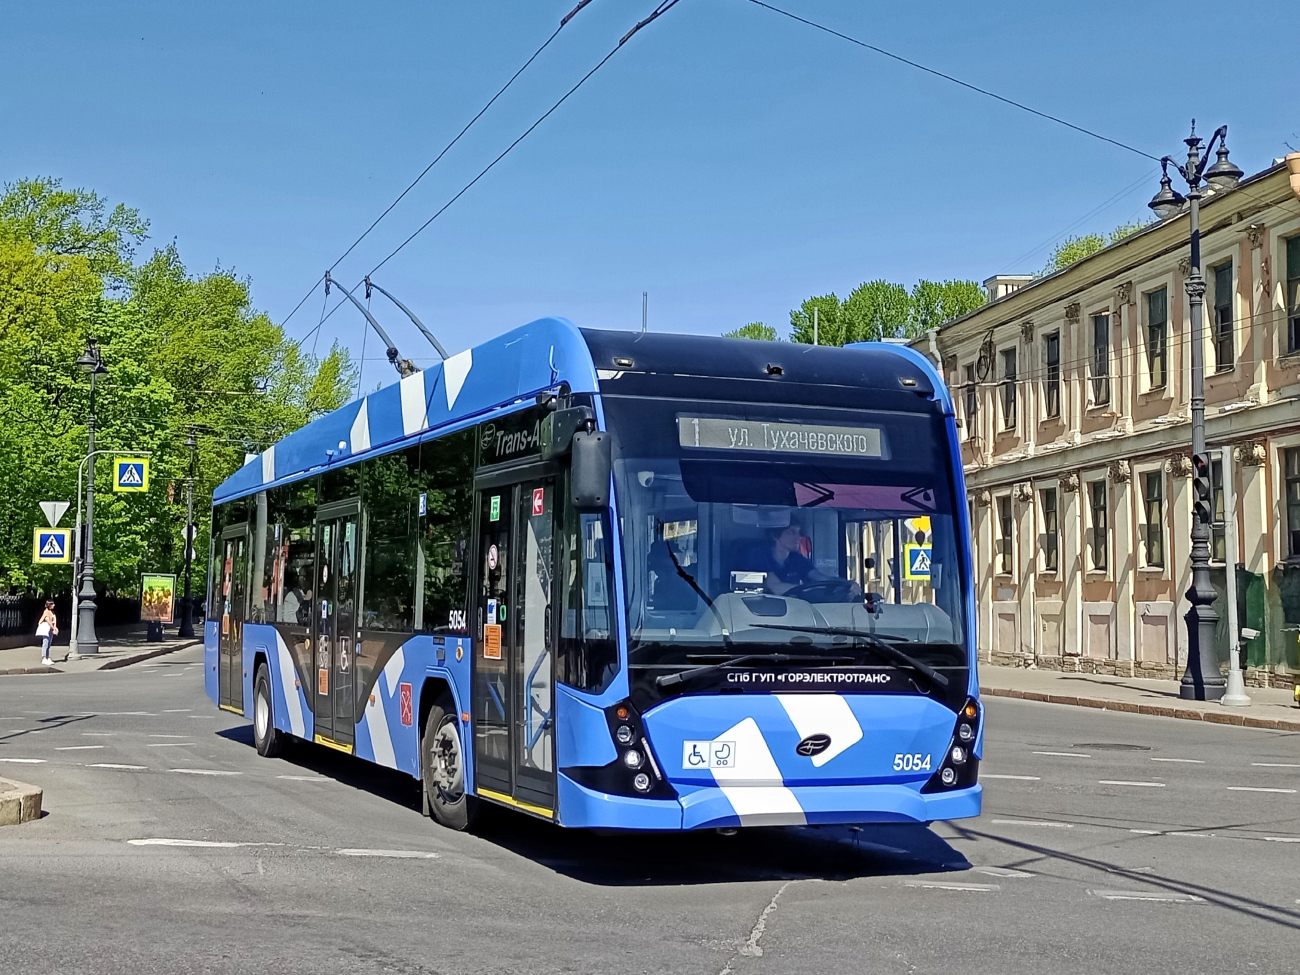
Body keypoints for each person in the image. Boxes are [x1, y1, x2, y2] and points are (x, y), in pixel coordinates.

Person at [761, 520, 861, 598]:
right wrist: (810, 590)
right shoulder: (759, 556)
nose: (798, 537)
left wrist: (847, 584)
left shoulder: (796, 559)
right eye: (792, 532)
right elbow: (775, 587)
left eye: (798, 532)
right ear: (775, 535)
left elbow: (822, 578)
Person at [36, 600, 58, 666]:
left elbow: (53, 621)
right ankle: (44, 658)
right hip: (46, 629)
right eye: (52, 604)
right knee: (45, 643)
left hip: (50, 629)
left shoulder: (51, 612)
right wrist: (54, 628)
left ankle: (47, 657)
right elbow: (48, 621)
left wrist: (54, 627)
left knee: (48, 644)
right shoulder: (46, 612)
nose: (54, 605)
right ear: (49, 605)